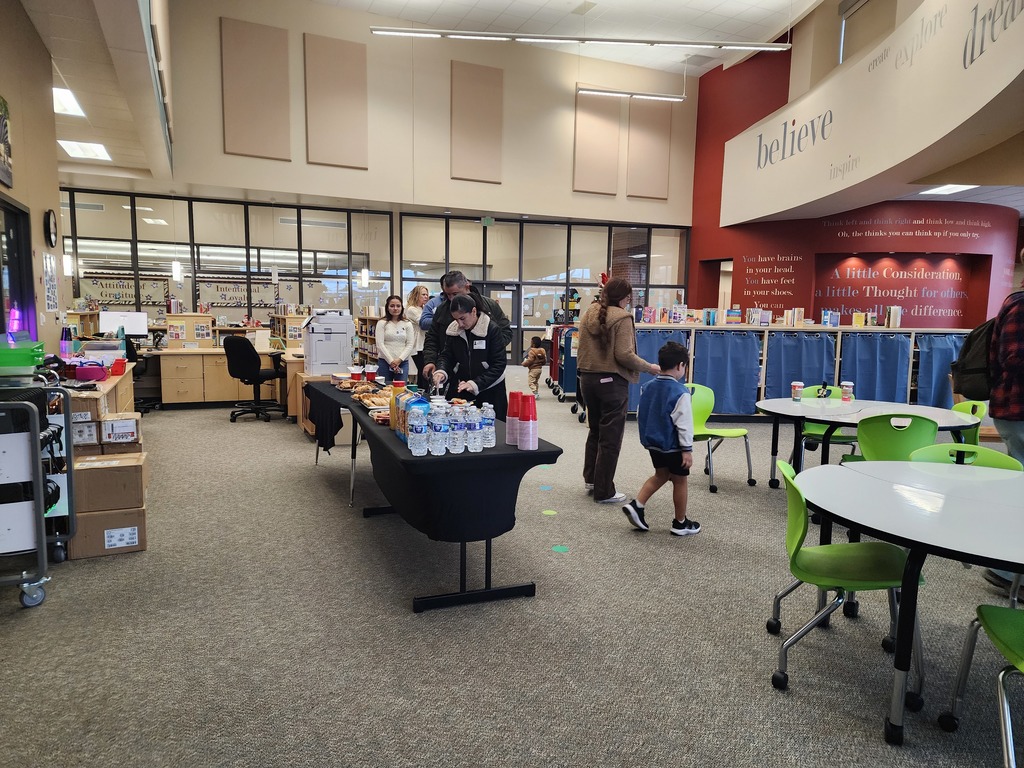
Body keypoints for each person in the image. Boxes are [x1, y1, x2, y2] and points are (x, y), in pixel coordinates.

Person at [577, 277, 660, 504]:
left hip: (587, 380)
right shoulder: (622, 317)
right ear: (624, 298)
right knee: (610, 438)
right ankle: (605, 491)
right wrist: (649, 367)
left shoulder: (589, 312)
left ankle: (592, 480)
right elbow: (624, 355)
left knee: (595, 431)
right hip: (611, 383)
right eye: (628, 297)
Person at [621, 341, 700, 537]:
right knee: (680, 481)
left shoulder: (647, 387)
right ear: (681, 366)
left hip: (653, 444)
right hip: (674, 446)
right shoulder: (681, 392)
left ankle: (637, 505)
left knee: (661, 475)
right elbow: (684, 424)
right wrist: (687, 450)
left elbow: (642, 414)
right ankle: (680, 523)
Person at [983, 264, 1024, 593]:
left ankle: (1008, 569)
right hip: (1018, 410)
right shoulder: (1021, 306)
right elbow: (1015, 358)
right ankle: (1008, 570)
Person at [421, 271, 512, 383]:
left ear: (467, 287)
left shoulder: (489, 305)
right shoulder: (442, 310)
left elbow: (506, 332)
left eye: (455, 294)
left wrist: (489, 348)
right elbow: (432, 338)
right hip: (453, 372)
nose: (451, 298)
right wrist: (430, 360)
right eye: (447, 294)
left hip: (488, 375)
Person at [431, 293, 508, 419]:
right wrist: (441, 371)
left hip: (492, 390)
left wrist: (476, 383)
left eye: (462, 318)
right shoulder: (453, 330)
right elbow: (447, 356)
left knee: (493, 429)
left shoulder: (492, 329)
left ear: (473, 311)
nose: (459, 324)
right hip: (464, 388)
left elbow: (499, 364)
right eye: (456, 319)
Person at [375, 295, 415, 384]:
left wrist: (399, 360)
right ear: (387, 308)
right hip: (385, 362)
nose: (395, 308)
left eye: (398, 306)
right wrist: (391, 361)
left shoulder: (407, 323)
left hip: (402, 362)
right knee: (384, 388)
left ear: (402, 307)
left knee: (401, 389)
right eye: (392, 306)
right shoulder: (382, 323)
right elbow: (379, 344)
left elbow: (410, 344)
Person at [404, 284, 430, 387]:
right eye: (423, 294)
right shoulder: (412, 309)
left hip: (424, 343)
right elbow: (423, 323)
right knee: (423, 370)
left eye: (427, 295)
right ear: (416, 295)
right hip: (418, 345)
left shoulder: (423, 308)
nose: (426, 297)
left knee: (424, 371)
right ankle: (422, 392)